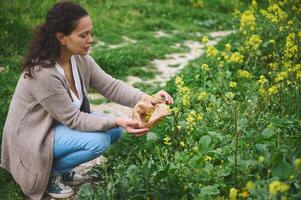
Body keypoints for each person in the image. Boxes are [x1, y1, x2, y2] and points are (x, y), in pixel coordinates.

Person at [0, 2, 173, 199]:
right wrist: (117, 120)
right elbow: (75, 119)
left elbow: (111, 86)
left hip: (56, 127)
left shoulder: (79, 59)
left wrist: (147, 98)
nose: (90, 40)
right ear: (61, 37)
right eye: (83, 35)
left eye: (90, 33)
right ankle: (50, 174)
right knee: (99, 140)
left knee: (114, 131)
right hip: (33, 138)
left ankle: (62, 168)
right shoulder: (44, 73)